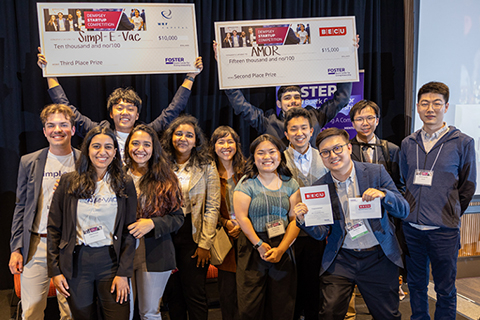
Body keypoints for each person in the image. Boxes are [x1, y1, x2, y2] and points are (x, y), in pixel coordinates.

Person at [295, 128, 409, 320]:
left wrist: (384, 195)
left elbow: (403, 210)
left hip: (378, 256)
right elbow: (321, 233)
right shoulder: (319, 187)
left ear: (349, 148)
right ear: (321, 156)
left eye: (337, 148)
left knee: (387, 315)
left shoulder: (375, 172)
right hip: (342, 258)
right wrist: (303, 220)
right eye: (325, 152)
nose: (332, 155)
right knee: (329, 312)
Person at [37, 50, 203, 161]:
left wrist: (191, 76)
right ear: (111, 113)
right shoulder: (98, 132)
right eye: (119, 108)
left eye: (131, 109)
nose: (125, 113)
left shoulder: (147, 133)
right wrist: (50, 73)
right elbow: (68, 110)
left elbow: (173, 110)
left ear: (137, 115)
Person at [400, 81, 476, 319]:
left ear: (446, 106)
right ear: (418, 107)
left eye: (436, 103)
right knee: (416, 285)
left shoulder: (462, 142)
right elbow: (403, 181)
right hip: (412, 228)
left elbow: (468, 185)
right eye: (425, 103)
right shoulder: (408, 143)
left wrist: (450, 213)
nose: (430, 108)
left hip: (444, 231)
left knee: (444, 288)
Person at [47, 126, 137, 320]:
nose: (102, 152)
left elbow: (130, 232)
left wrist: (123, 273)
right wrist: (55, 270)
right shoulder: (68, 182)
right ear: (87, 149)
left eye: (108, 147)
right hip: (77, 263)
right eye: (96, 146)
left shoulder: (124, 182)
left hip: (111, 262)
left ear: (115, 152)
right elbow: (54, 229)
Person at [9, 104, 76, 320]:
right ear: (45, 131)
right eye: (51, 125)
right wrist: (16, 247)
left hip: (71, 246)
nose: (58, 129)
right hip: (36, 245)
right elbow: (21, 206)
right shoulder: (29, 161)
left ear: (73, 130)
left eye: (63, 125)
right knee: (32, 312)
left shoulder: (84, 161)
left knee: (71, 311)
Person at [234, 134, 301, 320]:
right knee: (250, 305)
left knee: (282, 303)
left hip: (283, 244)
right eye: (260, 153)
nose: (267, 157)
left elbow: (295, 219)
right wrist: (259, 244)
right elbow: (241, 217)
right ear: (253, 158)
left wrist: (281, 249)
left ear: (280, 155)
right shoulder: (246, 183)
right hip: (252, 245)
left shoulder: (291, 183)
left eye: (272, 152)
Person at [161, 115, 220, 320]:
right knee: (173, 294)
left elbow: (212, 207)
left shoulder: (206, 165)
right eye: (178, 134)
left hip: (193, 235)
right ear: (171, 137)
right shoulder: (160, 164)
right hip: (166, 235)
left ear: (196, 141)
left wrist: (205, 244)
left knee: (195, 293)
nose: (183, 138)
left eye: (189, 135)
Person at [124, 125, 184, 320]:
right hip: (122, 252)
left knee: (149, 312)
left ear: (154, 148)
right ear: (127, 147)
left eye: (146, 144)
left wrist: (152, 224)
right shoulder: (117, 176)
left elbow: (178, 218)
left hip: (156, 252)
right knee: (125, 312)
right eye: (135, 143)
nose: (140, 149)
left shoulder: (166, 178)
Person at [282, 108, 328, 320]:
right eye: (293, 129)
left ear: (311, 131)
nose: (299, 133)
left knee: (314, 283)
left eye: (303, 128)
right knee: (290, 285)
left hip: (319, 233)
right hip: (288, 232)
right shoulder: (277, 159)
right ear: (286, 134)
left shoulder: (325, 157)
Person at [210, 126, 245, 320]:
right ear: (213, 146)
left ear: (236, 145)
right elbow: (205, 207)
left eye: (230, 141)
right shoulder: (208, 172)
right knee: (228, 291)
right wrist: (225, 222)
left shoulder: (247, 169)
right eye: (220, 141)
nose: (226, 146)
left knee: (247, 291)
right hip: (223, 238)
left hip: (247, 234)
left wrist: (241, 224)